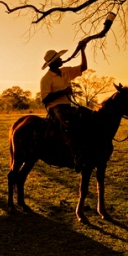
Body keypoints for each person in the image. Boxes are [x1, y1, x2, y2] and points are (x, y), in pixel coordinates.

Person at [40, 39, 88, 169]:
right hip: (55, 108)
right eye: (58, 58)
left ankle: (85, 152)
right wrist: (63, 92)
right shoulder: (46, 79)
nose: (61, 59)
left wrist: (83, 50)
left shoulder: (66, 71)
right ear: (53, 63)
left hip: (68, 106)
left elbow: (83, 67)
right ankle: (75, 156)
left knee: (87, 119)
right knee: (70, 126)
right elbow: (45, 99)